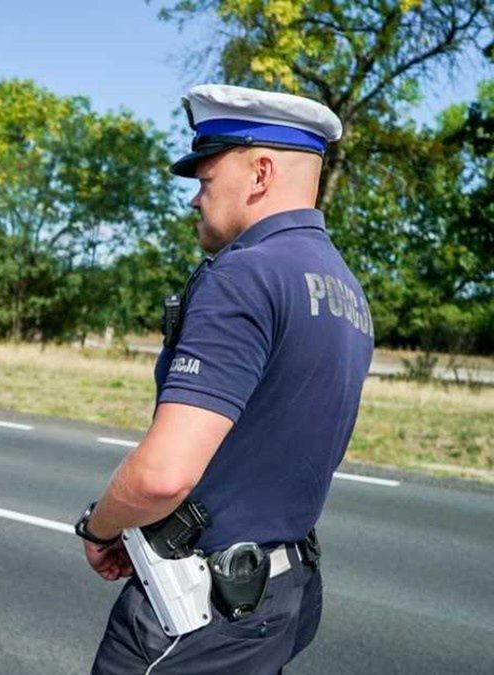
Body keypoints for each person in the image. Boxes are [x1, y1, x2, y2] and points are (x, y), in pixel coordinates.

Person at [76, 84, 374, 674]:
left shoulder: (244, 275)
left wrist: (99, 526)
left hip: (200, 617)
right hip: (280, 599)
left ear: (260, 173)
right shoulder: (345, 289)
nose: (194, 199)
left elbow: (162, 476)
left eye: (206, 178)